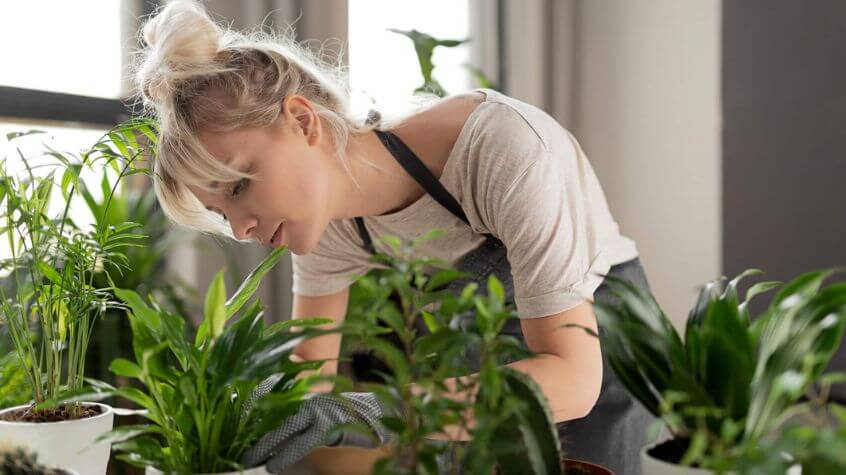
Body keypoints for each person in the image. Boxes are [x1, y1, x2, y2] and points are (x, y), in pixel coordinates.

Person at [136, 1, 655, 474]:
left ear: (301, 121)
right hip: (488, 351)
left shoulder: (502, 151)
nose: (243, 228)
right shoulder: (326, 225)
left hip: (594, 348)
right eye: (221, 213)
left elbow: (572, 378)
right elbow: (310, 374)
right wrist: (254, 411)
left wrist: (377, 411)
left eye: (238, 184)